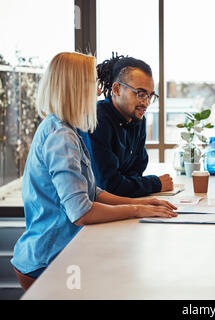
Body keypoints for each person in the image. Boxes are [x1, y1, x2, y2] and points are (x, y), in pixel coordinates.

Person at [11, 52, 178, 290]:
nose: (99, 92)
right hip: (49, 259)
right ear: (75, 87)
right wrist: (136, 208)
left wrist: (143, 205)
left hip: (65, 250)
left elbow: (94, 191)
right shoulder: (60, 137)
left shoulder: (67, 128)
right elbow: (81, 211)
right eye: (92, 84)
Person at [80, 53, 173, 198]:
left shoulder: (137, 120)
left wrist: (133, 184)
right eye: (140, 94)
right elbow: (109, 186)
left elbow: (136, 173)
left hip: (122, 206)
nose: (146, 103)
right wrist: (156, 183)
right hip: (94, 211)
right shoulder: (97, 120)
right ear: (116, 89)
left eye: (150, 96)